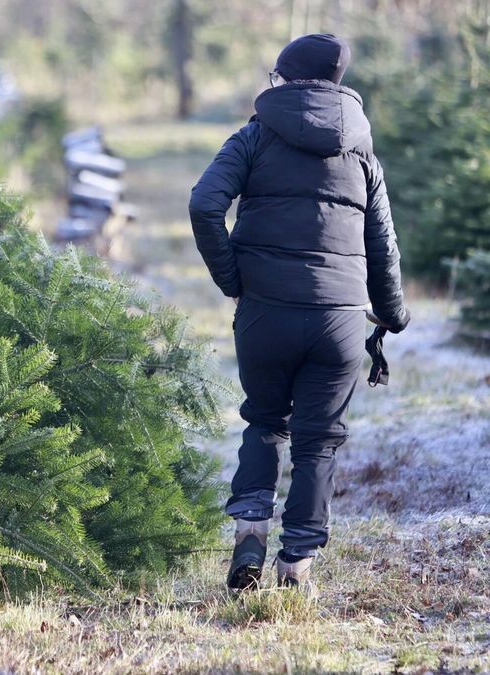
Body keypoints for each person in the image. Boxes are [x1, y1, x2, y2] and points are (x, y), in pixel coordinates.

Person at [188, 33, 410, 590]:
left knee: (265, 422)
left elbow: (203, 204)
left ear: (284, 79)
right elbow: (382, 242)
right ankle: (297, 568)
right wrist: (391, 315)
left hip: (265, 312)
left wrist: (234, 280)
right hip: (338, 318)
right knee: (318, 441)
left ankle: (250, 535)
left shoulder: (254, 136)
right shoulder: (363, 153)